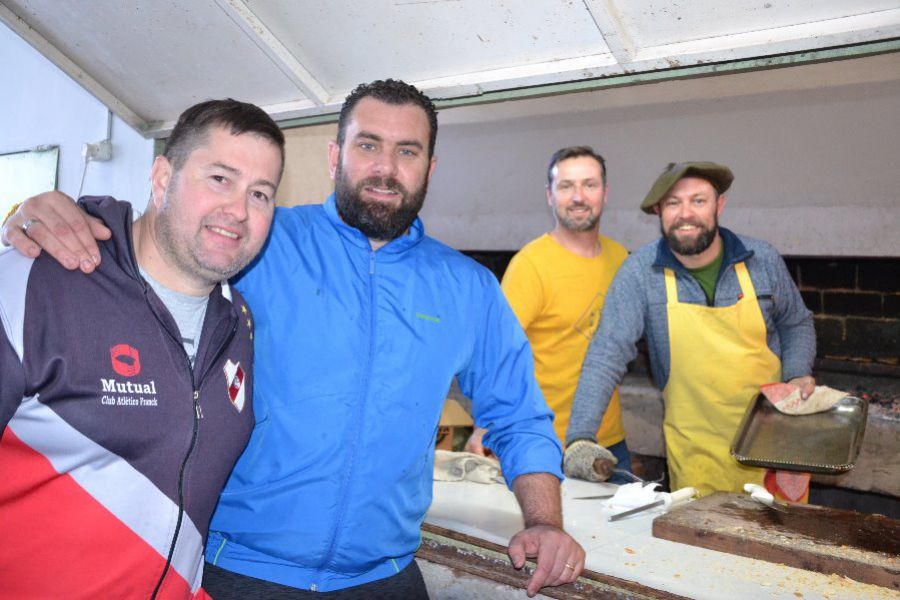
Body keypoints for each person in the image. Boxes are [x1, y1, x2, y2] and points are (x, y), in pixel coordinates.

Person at [2, 80, 584, 599]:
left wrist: (546, 522)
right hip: (238, 571)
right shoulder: (261, 240)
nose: (386, 167)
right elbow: (160, 242)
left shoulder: (469, 289)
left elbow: (519, 417)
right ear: (335, 155)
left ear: (430, 167)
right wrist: (52, 213)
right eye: (367, 145)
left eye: (408, 151)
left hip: (384, 578)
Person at [0, 99, 285, 598]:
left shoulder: (237, 320)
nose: (239, 210)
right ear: (161, 178)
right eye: (220, 178)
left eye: (259, 194)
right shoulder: (34, 281)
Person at [562, 161, 817, 499]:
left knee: (780, 546)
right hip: (697, 457)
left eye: (698, 201)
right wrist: (580, 435)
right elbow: (607, 353)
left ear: (719, 205)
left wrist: (798, 373)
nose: (686, 214)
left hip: (774, 446)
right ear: (658, 211)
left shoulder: (762, 260)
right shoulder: (640, 273)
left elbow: (795, 322)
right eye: (673, 203)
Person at [465, 146, 632, 483]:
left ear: (605, 192)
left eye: (589, 185)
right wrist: (485, 426)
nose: (578, 197)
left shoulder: (620, 259)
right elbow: (496, 351)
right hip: (544, 444)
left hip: (608, 441)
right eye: (566, 186)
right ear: (550, 195)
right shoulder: (531, 265)